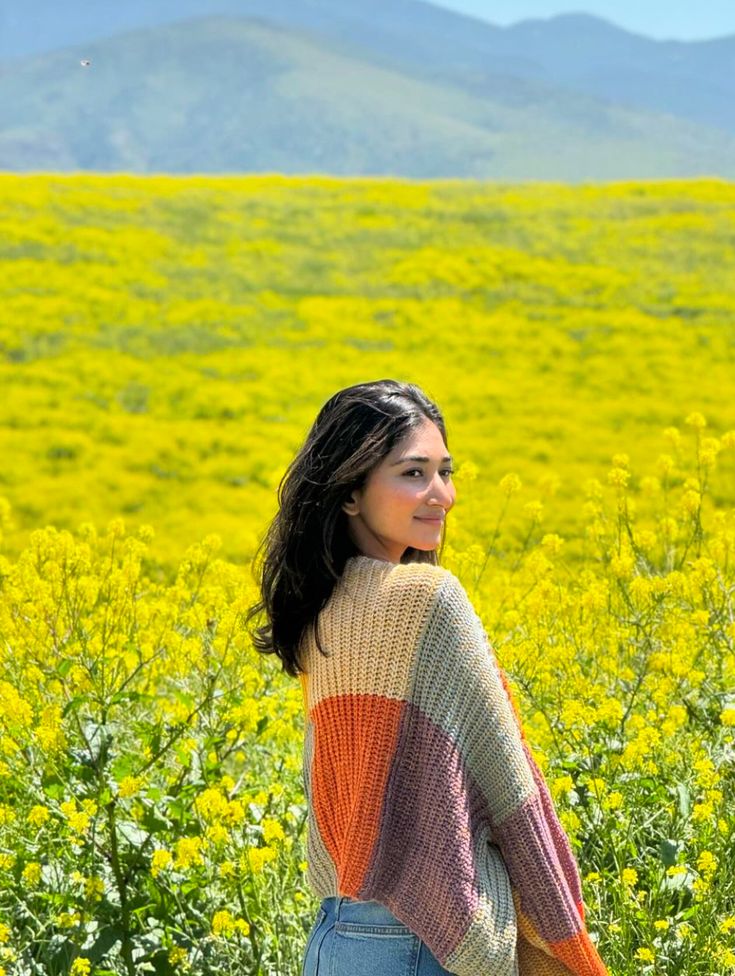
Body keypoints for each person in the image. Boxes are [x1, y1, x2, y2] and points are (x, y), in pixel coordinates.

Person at [245, 379, 609, 976]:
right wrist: (566, 941)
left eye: (445, 471)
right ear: (351, 493)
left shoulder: (320, 612)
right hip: (421, 946)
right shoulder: (428, 599)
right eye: (413, 473)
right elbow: (510, 792)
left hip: (336, 938)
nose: (441, 494)